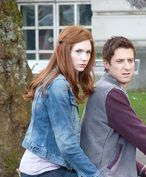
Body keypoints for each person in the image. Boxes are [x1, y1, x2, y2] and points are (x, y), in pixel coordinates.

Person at [81, 36, 146, 177]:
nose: (127, 67)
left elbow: (111, 146)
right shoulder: (111, 94)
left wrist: (141, 168)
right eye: (120, 61)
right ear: (107, 64)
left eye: (130, 61)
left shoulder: (102, 88)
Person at [19, 25, 102, 177]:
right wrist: (94, 174)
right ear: (65, 51)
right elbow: (67, 144)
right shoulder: (58, 86)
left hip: (47, 166)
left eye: (88, 52)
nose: (84, 57)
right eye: (78, 51)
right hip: (44, 170)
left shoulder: (57, 80)